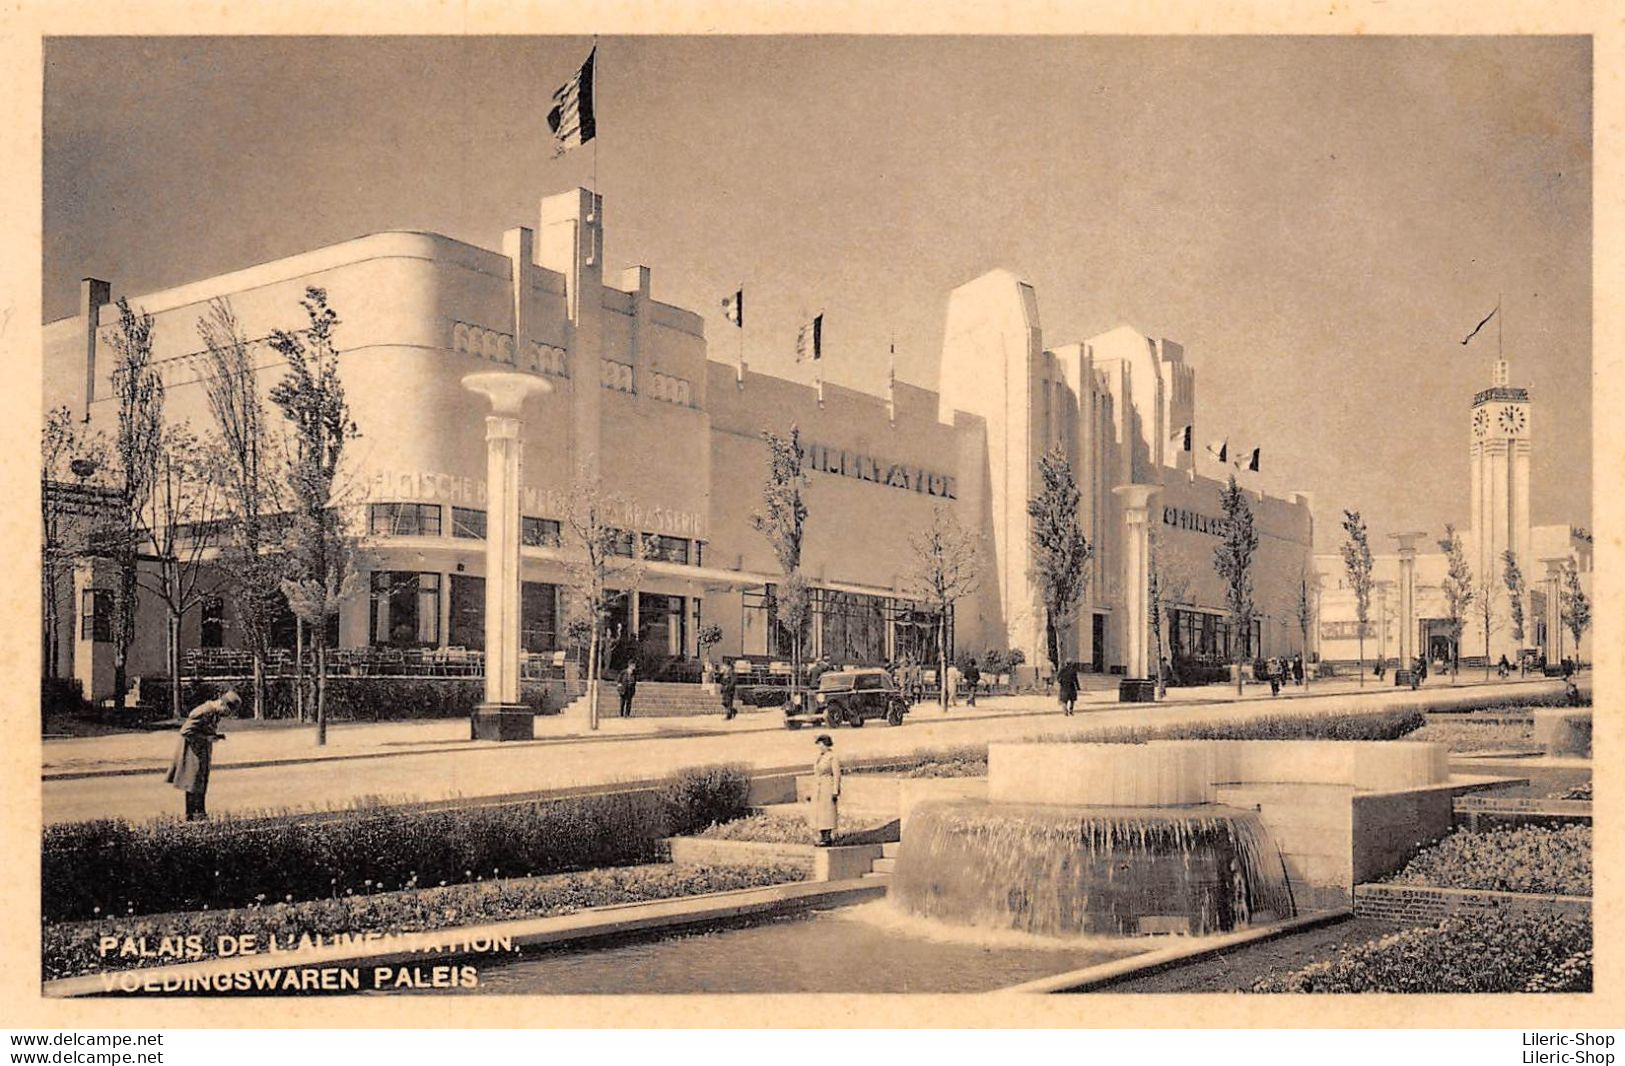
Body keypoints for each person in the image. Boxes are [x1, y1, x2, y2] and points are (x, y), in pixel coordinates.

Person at [164, 690, 238, 821]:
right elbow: (185, 731)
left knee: (200, 782)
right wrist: (206, 738)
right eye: (227, 712)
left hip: (201, 751)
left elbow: (204, 729)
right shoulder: (203, 711)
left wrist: (215, 736)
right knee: (192, 782)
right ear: (222, 704)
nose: (225, 716)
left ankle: (200, 813)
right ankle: (191, 816)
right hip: (192, 752)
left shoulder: (215, 712)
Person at [808, 733, 841, 846]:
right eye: (819, 744)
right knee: (819, 812)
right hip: (818, 788)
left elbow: (837, 774)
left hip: (828, 786)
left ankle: (827, 837)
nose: (820, 747)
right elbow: (816, 774)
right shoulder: (819, 757)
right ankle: (822, 836)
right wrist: (811, 790)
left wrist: (835, 790)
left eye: (821, 744)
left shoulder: (832, 756)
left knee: (827, 812)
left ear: (827, 744)